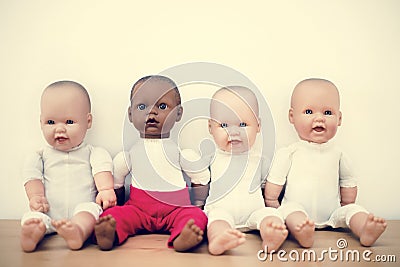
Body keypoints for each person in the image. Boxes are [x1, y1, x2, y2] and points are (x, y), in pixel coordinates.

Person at [265, 78, 387, 248]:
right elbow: (275, 182)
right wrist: (273, 204)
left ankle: (365, 228)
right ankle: (303, 232)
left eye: (327, 113)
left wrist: (346, 206)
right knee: (291, 210)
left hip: (332, 212)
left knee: (354, 211)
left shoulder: (338, 154)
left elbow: (348, 181)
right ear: (292, 117)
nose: (319, 119)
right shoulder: (290, 153)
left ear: (339, 119)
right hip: (297, 207)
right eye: (308, 112)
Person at [94, 75, 209, 252]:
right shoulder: (129, 155)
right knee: (113, 215)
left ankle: (183, 237)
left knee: (196, 217)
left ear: (178, 113)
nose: (151, 112)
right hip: (138, 209)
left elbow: (199, 176)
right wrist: (115, 205)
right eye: (142, 106)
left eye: (162, 106)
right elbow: (117, 182)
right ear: (131, 115)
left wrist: (199, 203)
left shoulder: (180, 154)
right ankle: (109, 233)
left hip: (177, 209)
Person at [20, 81, 116, 252]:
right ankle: (33, 232)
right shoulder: (40, 155)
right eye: (50, 122)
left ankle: (77, 231)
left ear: (88, 121)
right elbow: (32, 175)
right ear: (40, 122)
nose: (59, 129)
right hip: (47, 211)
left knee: (90, 211)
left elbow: (102, 169)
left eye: (69, 121)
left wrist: (105, 189)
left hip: (81, 208)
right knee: (33, 217)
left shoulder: (93, 152)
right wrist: (35, 197)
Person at [205, 86, 288, 255]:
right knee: (216, 220)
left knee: (270, 216)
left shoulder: (259, 160)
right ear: (210, 128)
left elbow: (269, 187)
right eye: (224, 125)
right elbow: (198, 182)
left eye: (243, 124)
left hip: (254, 211)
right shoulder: (211, 158)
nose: (234, 131)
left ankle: (271, 235)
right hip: (221, 210)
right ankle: (219, 238)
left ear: (258, 126)